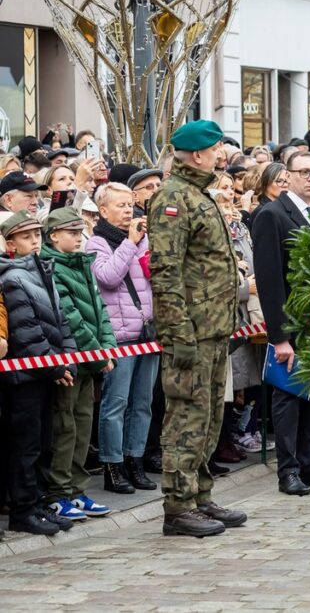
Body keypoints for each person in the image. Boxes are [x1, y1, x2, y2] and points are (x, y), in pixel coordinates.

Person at [148, 119, 248, 537]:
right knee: (186, 417)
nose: (220, 155)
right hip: (189, 330)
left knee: (208, 416)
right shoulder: (173, 199)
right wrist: (177, 333)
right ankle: (177, 505)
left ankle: (200, 495)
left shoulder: (198, 194)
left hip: (213, 326)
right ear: (196, 155)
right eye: (214, 149)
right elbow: (165, 271)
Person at [252, 151, 310, 496]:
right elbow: (269, 278)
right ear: (286, 176)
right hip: (290, 323)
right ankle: (288, 469)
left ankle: (309, 464)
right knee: (288, 397)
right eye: (303, 172)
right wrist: (279, 336)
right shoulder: (272, 215)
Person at [0, 212, 78, 535]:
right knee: (26, 446)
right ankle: (23, 510)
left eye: (37, 235)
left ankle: (38, 502)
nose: (35, 241)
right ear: (10, 244)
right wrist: (55, 365)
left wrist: (70, 359)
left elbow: (60, 321)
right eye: (26, 237)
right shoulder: (11, 277)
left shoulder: (42, 270)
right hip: (26, 378)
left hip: (47, 373)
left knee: (45, 441)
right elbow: (26, 331)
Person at [84, 183, 160, 494]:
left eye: (130, 205)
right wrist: (130, 244)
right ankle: (112, 466)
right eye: (120, 206)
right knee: (116, 403)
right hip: (120, 336)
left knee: (143, 403)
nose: (129, 211)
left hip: (147, 332)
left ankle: (135, 460)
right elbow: (108, 278)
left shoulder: (142, 240)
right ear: (103, 211)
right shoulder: (96, 243)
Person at [41, 208, 117, 520]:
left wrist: (108, 346)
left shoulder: (82, 263)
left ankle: (76, 488)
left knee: (83, 426)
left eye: (79, 231)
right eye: (71, 232)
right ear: (54, 235)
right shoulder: (52, 266)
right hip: (73, 359)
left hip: (90, 360)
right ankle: (59, 491)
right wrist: (97, 353)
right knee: (65, 428)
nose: (77, 237)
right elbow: (69, 317)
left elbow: (99, 308)